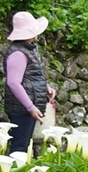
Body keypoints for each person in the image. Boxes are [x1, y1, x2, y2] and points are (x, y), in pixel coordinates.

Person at [4, 11, 55, 154]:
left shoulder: (28, 49)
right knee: (20, 148)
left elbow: (30, 76)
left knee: (24, 145)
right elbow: (14, 83)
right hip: (22, 109)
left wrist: (46, 87)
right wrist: (31, 107)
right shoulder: (18, 53)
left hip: (26, 107)